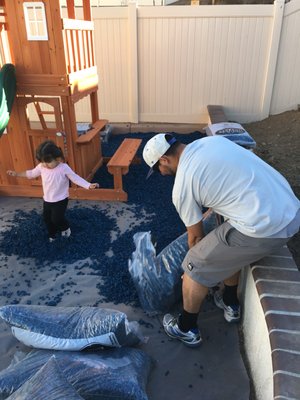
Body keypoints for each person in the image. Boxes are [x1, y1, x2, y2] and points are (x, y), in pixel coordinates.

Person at [143, 133, 300, 347]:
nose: (160, 173)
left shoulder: (182, 187)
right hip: (289, 209)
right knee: (222, 239)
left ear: (164, 160)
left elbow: (196, 236)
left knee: (194, 264)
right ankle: (230, 302)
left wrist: (199, 271)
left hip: (266, 228)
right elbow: (227, 178)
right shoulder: (211, 142)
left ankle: (186, 327)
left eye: (158, 169)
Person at [7, 140, 99, 242]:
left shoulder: (63, 168)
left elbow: (75, 178)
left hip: (60, 199)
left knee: (56, 219)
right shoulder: (41, 167)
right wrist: (17, 174)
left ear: (58, 158)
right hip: (47, 199)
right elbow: (31, 173)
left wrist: (88, 185)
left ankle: (65, 228)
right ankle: (52, 234)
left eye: (48, 162)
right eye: (43, 162)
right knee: (47, 219)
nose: (46, 164)